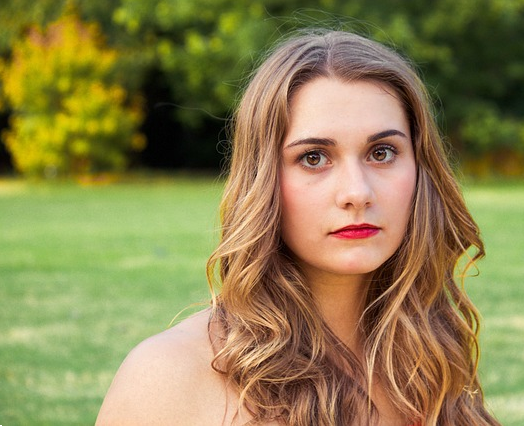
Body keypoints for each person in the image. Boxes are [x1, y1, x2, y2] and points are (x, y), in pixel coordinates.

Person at [96, 29, 501, 426]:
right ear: (263, 180)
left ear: (420, 168)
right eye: (313, 158)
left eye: (381, 152)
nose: (357, 193)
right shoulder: (168, 378)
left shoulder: (430, 359)